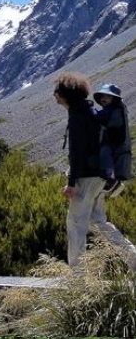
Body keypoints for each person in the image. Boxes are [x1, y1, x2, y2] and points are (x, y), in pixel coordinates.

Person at [55, 73, 136, 270]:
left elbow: (77, 152)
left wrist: (71, 183)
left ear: (67, 95)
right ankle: (133, 258)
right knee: (97, 221)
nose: (55, 96)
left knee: (75, 224)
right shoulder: (90, 113)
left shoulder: (77, 117)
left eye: (57, 92)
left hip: (86, 178)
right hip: (100, 177)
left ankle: (77, 276)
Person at [93, 83, 132, 194]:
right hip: (116, 142)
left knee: (104, 152)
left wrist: (91, 112)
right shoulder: (118, 109)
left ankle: (110, 177)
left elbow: (101, 116)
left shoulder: (113, 109)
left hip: (114, 142)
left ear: (114, 99)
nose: (104, 98)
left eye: (108, 96)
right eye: (103, 96)